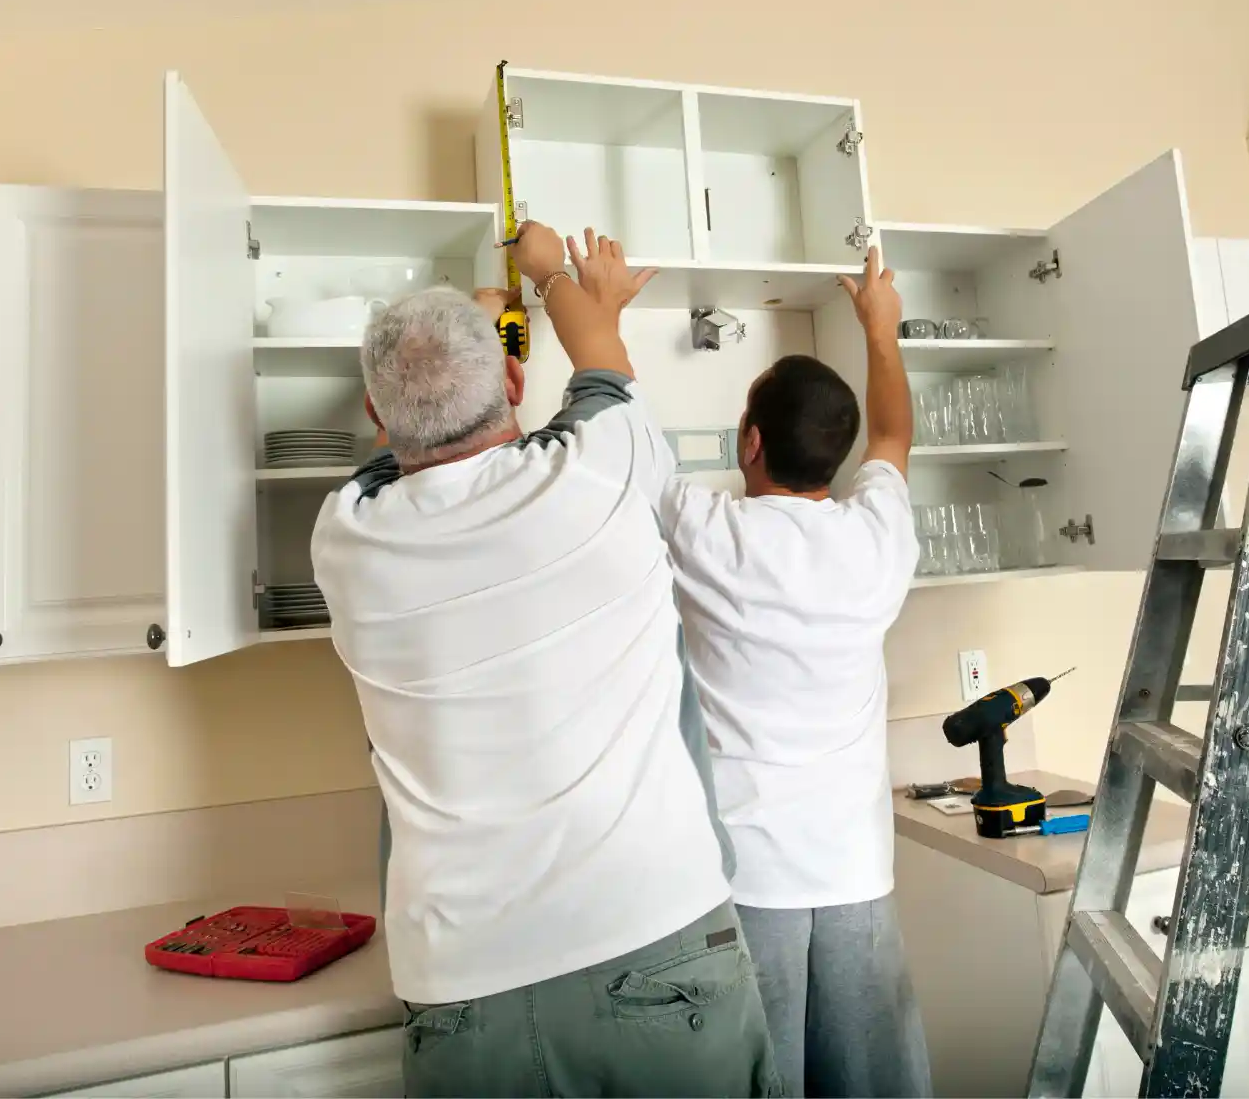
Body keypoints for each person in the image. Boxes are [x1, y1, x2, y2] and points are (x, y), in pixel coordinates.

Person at [311, 222, 781, 1099]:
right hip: (655, 938)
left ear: (377, 416)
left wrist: (482, 321)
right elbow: (599, 358)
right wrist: (550, 271)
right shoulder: (602, 476)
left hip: (462, 989)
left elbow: (397, 466)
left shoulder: (345, 542)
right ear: (516, 382)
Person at [660, 246, 932, 1098]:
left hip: (747, 880)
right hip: (858, 871)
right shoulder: (877, 535)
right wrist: (879, 331)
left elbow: (623, 443)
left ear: (749, 441)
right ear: (838, 454)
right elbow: (893, 433)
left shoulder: (709, 535)